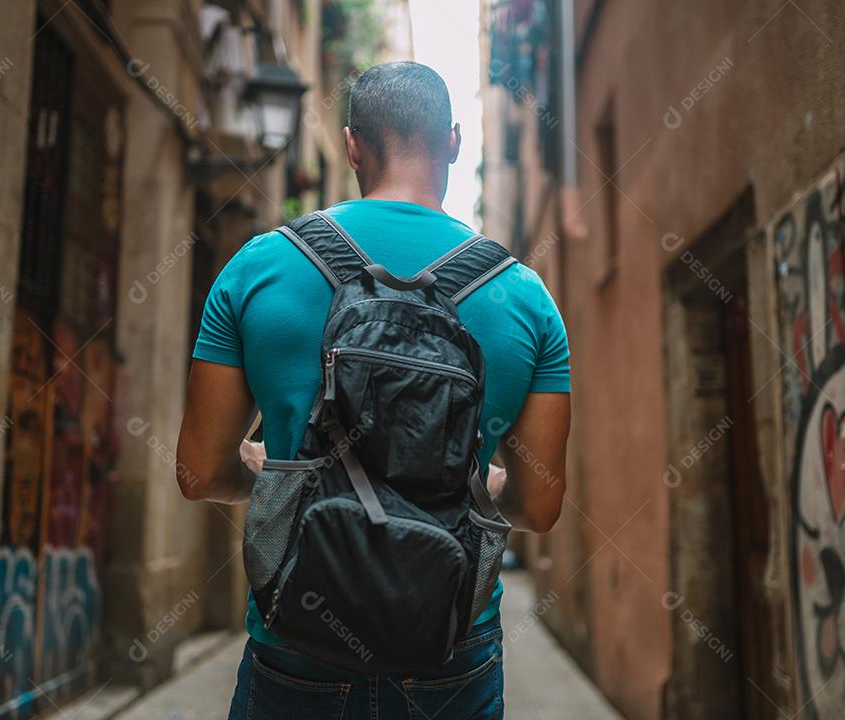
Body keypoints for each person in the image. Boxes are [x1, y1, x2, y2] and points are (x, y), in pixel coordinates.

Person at [176, 61, 570, 720]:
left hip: (294, 648)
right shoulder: (527, 299)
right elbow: (541, 503)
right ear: (454, 141)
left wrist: (281, 469)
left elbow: (197, 472)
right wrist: (454, 478)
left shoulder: (256, 268)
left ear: (352, 143)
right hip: (450, 657)